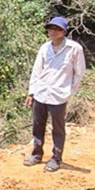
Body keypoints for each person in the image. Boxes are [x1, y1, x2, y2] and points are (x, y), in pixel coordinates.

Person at [24, 15, 86, 172]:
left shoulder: (74, 49)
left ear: (64, 31)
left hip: (59, 95)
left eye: (57, 29)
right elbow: (36, 71)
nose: (53, 31)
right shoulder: (44, 48)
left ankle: (56, 158)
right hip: (41, 92)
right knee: (38, 125)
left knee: (58, 128)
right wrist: (31, 92)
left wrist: (69, 91)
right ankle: (36, 154)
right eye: (51, 28)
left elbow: (79, 72)